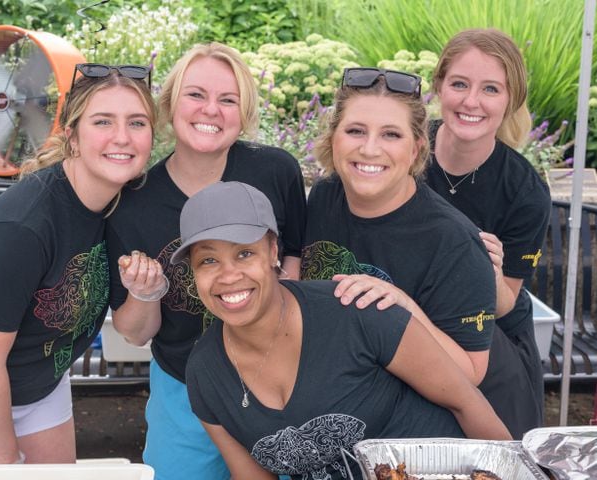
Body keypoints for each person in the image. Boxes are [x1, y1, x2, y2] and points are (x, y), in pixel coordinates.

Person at [0, 63, 156, 464]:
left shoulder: (125, 204)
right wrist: (10, 466)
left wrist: (147, 292)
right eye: (103, 121)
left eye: (137, 122)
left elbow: (136, 334)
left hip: (39, 383)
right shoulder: (22, 228)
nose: (122, 137)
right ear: (72, 135)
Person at [178, 181, 511, 480]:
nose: (228, 275)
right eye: (208, 261)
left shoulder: (354, 311)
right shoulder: (205, 372)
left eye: (245, 253)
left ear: (273, 252)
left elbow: (468, 405)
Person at [106, 42, 306, 480]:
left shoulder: (275, 171)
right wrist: (145, 292)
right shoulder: (132, 203)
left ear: (244, 111)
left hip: (278, 379)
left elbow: (295, 257)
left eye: (228, 99)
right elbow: (135, 333)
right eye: (196, 94)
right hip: (183, 387)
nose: (210, 110)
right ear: (171, 102)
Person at [302, 68, 497, 390]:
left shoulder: (453, 243)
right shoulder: (325, 197)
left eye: (391, 134)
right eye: (355, 131)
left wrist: (404, 308)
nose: (369, 149)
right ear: (332, 137)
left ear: (416, 149)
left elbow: (471, 372)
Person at [424, 28, 551, 438]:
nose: (471, 101)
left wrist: (490, 273)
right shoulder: (403, 152)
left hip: (493, 338)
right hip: (409, 327)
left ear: (510, 100)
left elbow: (504, 302)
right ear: (439, 86)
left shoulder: (525, 191)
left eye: (491, 89)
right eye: (459, 84)